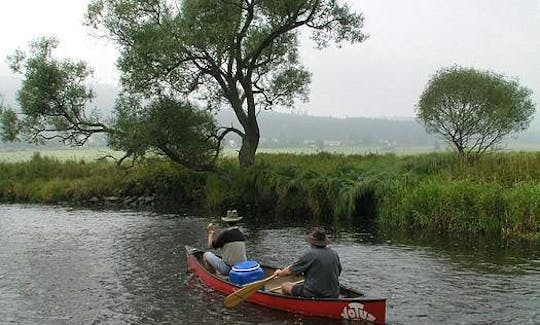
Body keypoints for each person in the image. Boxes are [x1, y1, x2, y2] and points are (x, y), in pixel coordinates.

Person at [273, 227, 342, 298]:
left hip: (314, 293)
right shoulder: (334, 253)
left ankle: (293, 304)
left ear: (312, 242)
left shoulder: (310, 254)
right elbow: (338, 271)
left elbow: (289, 272)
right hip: (334, 293)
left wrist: (279, 273)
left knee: (285, 286)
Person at [203, 209, 247, 275]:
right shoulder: (241, 233)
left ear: (226, 223)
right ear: (237, 222)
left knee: (206, 254)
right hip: (242, 268)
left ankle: (211, 276)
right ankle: (219, 273)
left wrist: (210, 233)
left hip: (229, 270)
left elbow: (210, 246)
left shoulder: (225, 234)